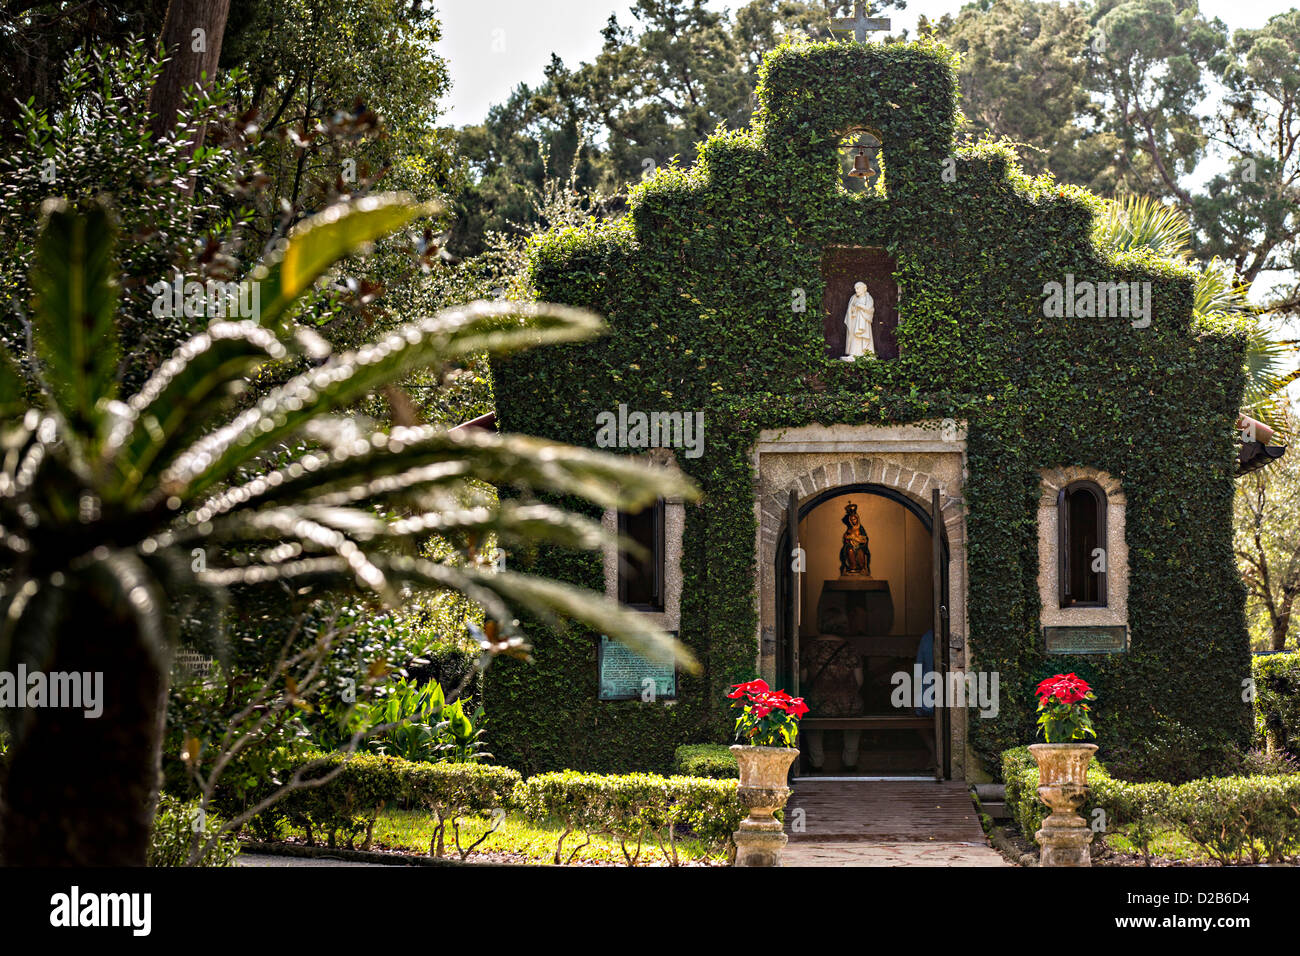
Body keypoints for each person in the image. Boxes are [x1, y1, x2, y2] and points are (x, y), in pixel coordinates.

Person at [842, 281, 875, 360]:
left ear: (864, 289)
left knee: (863, 336)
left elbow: (870, 309)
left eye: (858, 288)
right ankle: (854, 353)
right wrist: (853, 309)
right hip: (855, 320)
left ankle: (866, 353)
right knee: (854, 336)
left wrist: (860, 306)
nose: (856, 290)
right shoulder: (853, 298)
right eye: (855, 289)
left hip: (864, 321)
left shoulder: (868, 298)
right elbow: (850, 309)